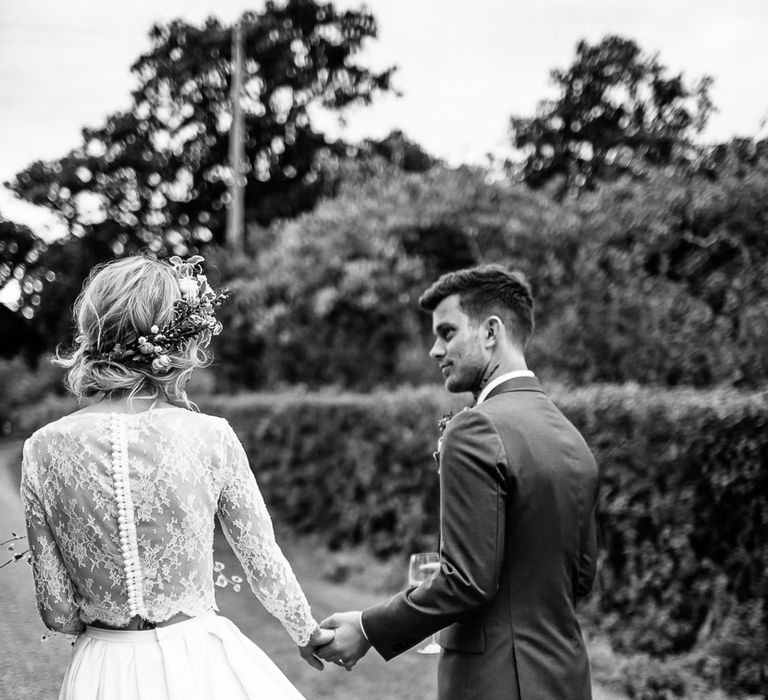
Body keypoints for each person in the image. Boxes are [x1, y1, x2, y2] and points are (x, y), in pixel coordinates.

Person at [20, 255, 332, 700]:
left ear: (93, 330)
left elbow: (58, 613)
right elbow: (262, 562)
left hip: (102, 672)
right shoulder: (211, 436)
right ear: (178, 334)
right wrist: (306, 632)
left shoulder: (42, 448)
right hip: (197, 664)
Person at [316, 264, 600, 700]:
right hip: (566, 679)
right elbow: (581, 576)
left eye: (447, 333)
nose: (435, 350)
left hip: (495, 683)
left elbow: (467, 580)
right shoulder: (572, 437)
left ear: (491, 332)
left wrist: (368, 628)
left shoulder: (476, 428)